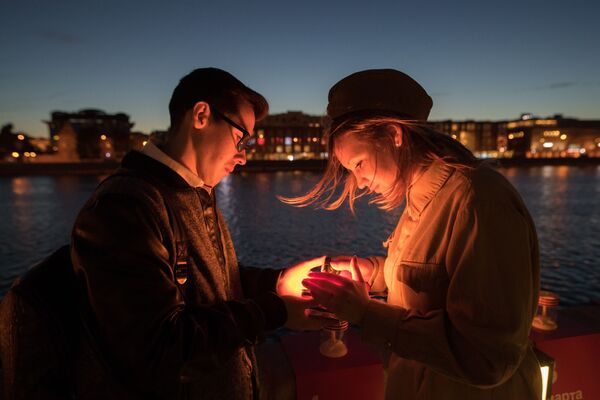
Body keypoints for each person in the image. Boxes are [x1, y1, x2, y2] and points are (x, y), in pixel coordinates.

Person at [70, 67, 327, 399]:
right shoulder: (123, 208)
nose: (244, 156)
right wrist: (274, 311)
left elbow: (211, 287)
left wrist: (280, 281)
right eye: (240, 137)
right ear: (202, 115)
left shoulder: (192, 192)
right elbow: (157, 350)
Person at [293, 69, 543, 399]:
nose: (360, 181)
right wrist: (373, 271)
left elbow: (488, 358)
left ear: (394, 135)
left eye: (359, 163)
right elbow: (434, 277)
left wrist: (366, 313)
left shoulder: (478, 201)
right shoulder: (425, 196)